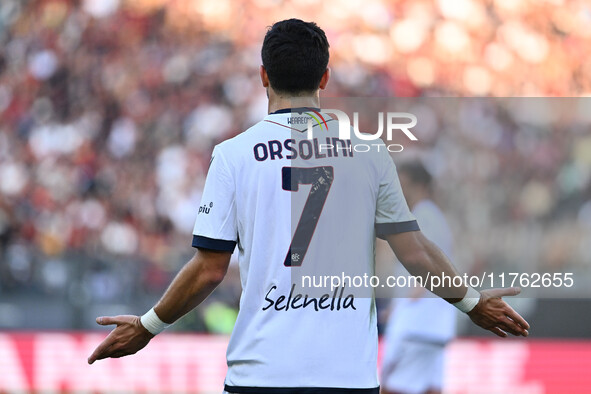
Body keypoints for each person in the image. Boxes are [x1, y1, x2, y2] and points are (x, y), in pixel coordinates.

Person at [87, 19, 529, 393]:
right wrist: (472, 303)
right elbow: (413, 251)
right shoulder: (370, 153)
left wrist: (147, 326)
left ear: (263, 75)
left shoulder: (233, 155)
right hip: (347, 377)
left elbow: (209, 269)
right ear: (324, 78)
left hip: (260, 372)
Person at [381, 161, 457, 394]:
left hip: (417, 322)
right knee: (430, 387)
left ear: (420, 186)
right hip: (432, 323)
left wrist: (408, 299)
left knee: (391, 387)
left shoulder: (422, 215)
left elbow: (428, 265)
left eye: (403, 184)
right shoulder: (432, 216)